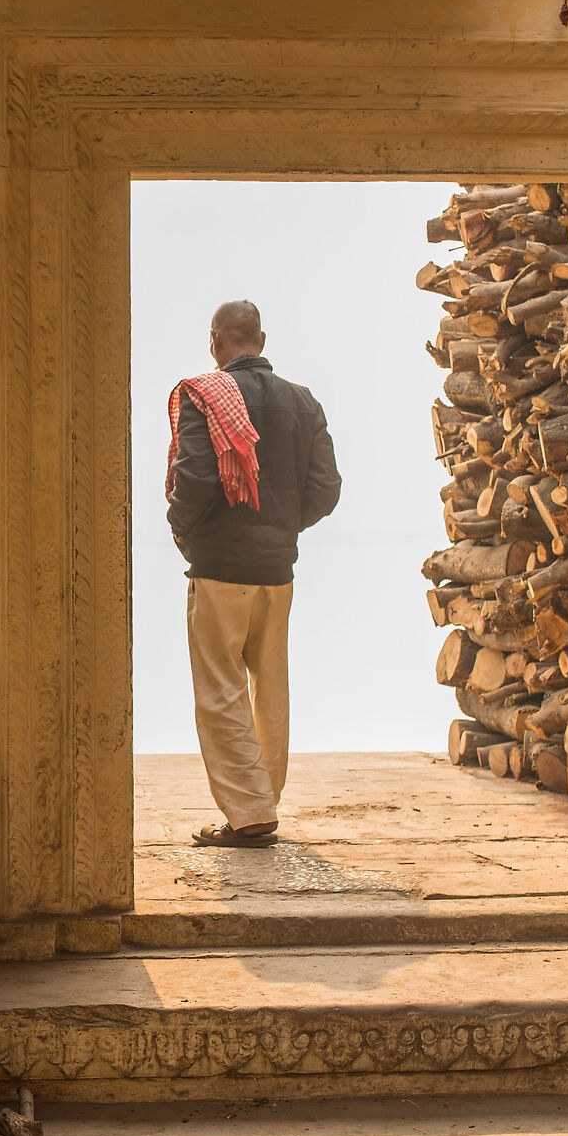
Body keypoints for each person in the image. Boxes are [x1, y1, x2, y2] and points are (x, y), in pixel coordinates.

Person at [165, 299, 341, 847]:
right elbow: (327, 489)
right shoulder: (303, 402)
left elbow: (192, 478)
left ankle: (249, 813)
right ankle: (264, 798)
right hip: (277, 570)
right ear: (260, 342)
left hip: (219, 568)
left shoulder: (206, 396)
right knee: (271, 687)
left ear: (215, 341)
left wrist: (183, 531)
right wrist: (283, 527)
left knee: (221, 690)